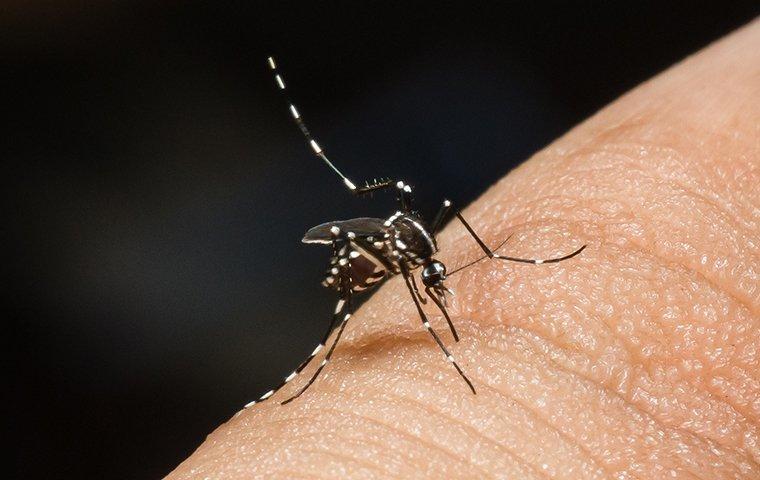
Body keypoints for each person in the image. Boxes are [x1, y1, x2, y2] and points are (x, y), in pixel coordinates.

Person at [167, 20, 759, 479]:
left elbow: (429, 259)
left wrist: (495, 256)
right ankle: (311, 368)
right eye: (432, 277)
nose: (435, 285)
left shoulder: (428, 244)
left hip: (396, 239)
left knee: (430, 201)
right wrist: (448, 349)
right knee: (352, 297)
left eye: (433, 275)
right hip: (362, 254)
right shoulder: (404, 254)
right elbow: (415, 284)